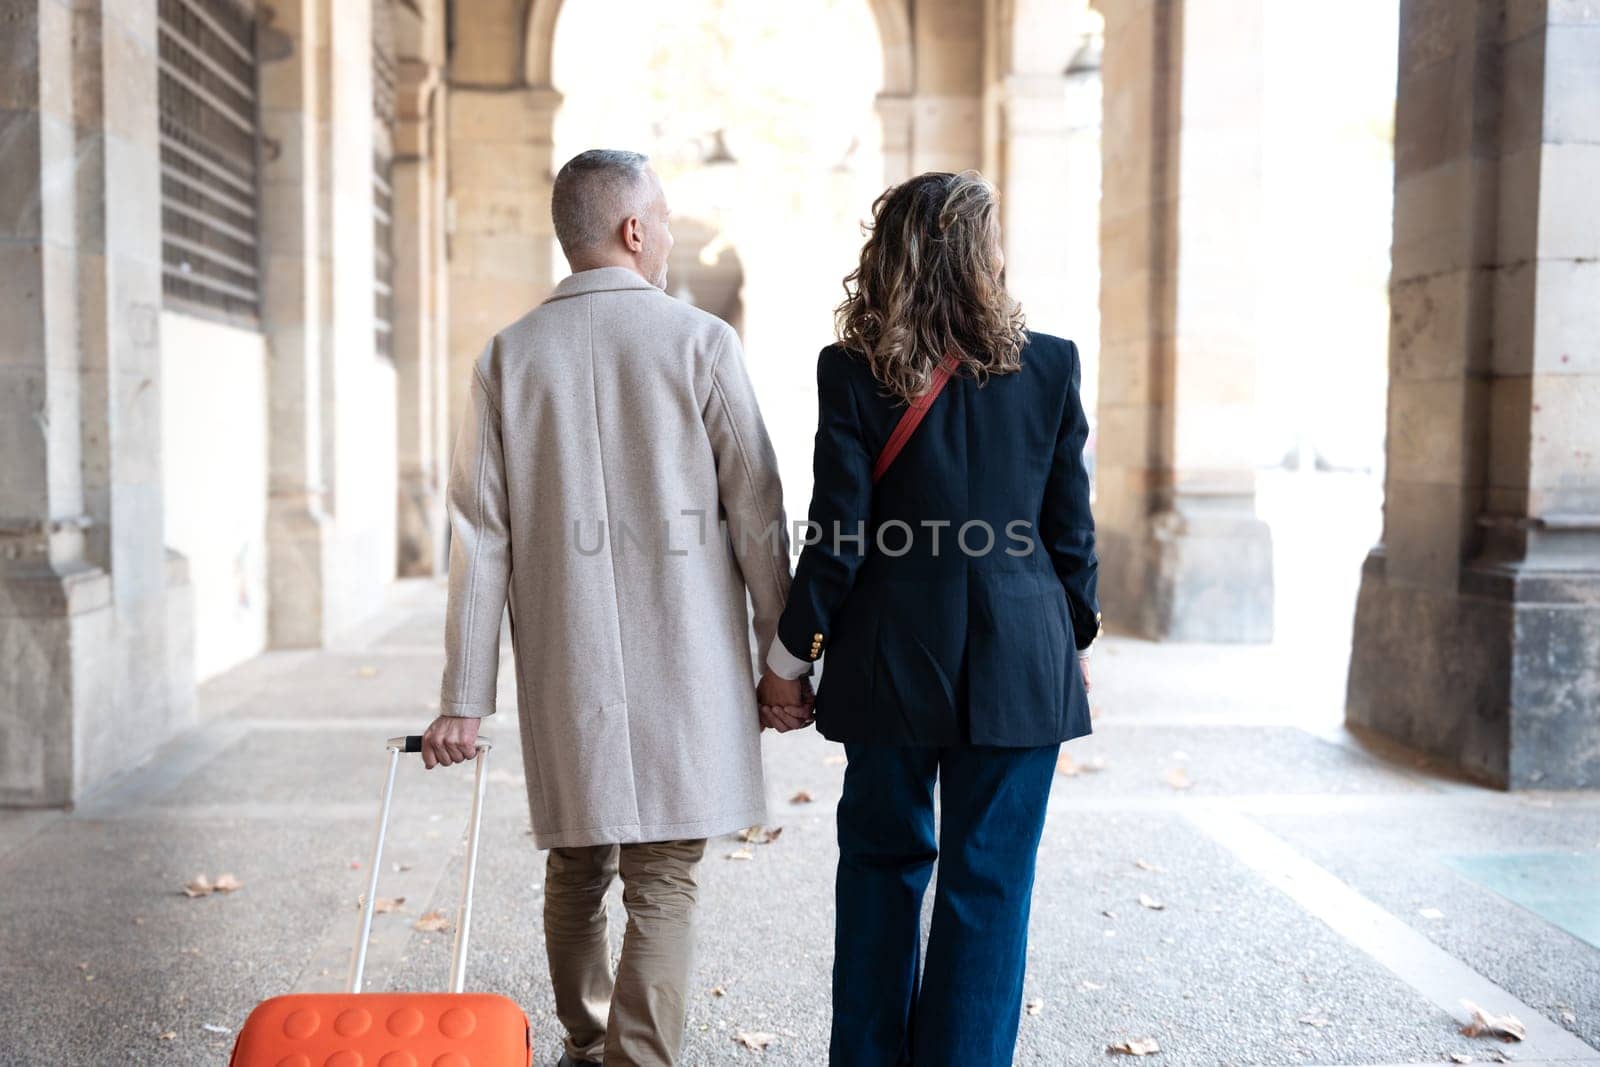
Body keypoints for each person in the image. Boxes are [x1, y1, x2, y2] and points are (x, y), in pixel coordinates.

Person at [422, 148, 807, 1067]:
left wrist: (465, 697)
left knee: (578, 862)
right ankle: (638, 1061)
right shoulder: (701, 342)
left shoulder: (508, 356)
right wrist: (783, 658)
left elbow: (481, 538)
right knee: (665, 877)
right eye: (665, 217)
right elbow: (758, 512)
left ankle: (588, 1037)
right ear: (635, 230)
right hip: (688, 662)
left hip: (569, 664)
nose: (671, 233)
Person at [758, 170, 1101, 1066]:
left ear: (893, 258)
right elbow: (1072, 533)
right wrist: (1075, 639)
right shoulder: (1053, 362)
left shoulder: (853, 371)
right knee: (988, 883)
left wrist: (789, 661)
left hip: (888, 660)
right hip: (1024, 657)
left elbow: (837, 538)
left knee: (879, 867)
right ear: (984, 258)